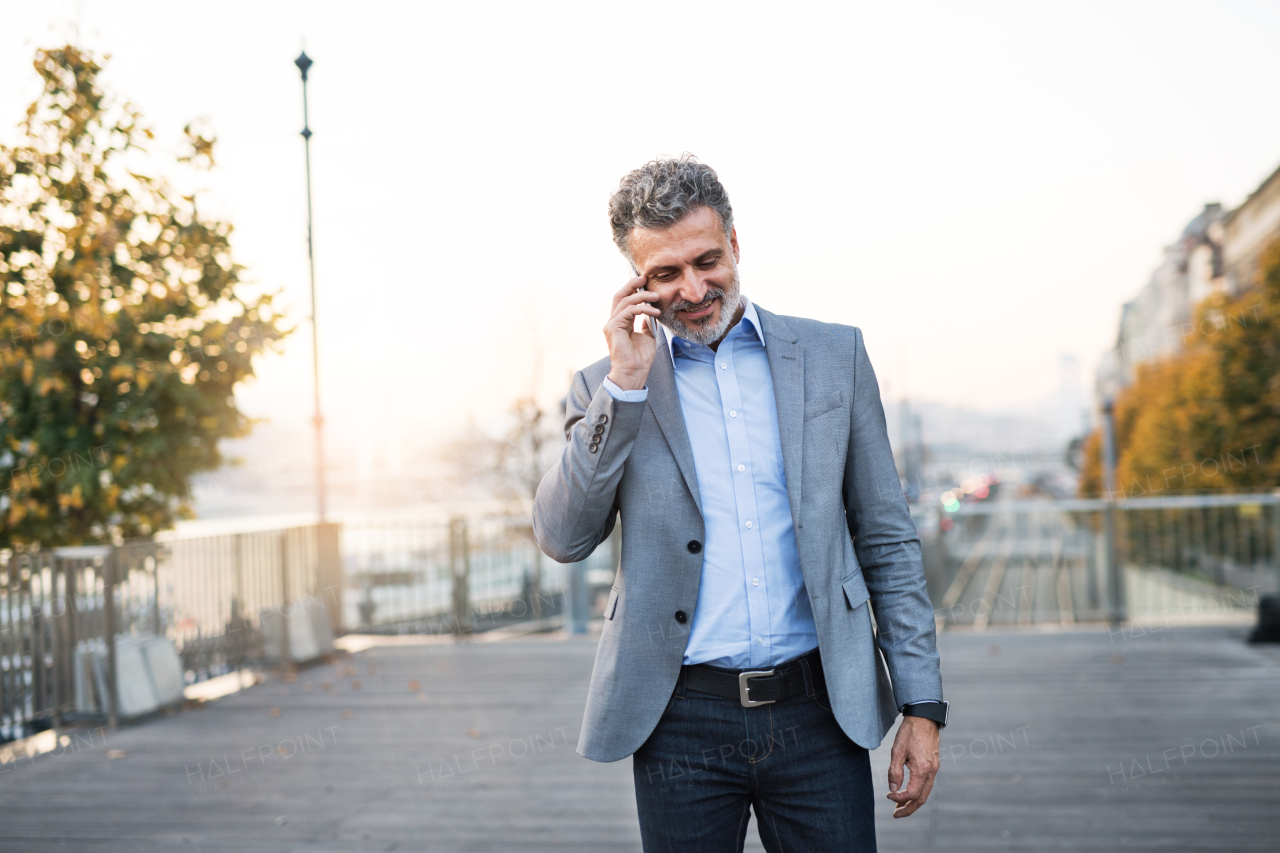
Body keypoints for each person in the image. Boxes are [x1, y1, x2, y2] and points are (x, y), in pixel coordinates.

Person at [532, 156, 945, 853]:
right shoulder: (606, 387)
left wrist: (922, 704)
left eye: (707, 260)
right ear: (636, 280)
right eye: (665, 273)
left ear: (735, 245)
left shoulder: (833, 356)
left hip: (820, 712)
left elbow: (885, 537)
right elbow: (562, 536)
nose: (693, 288)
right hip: (680, 720)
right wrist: (626, 390)